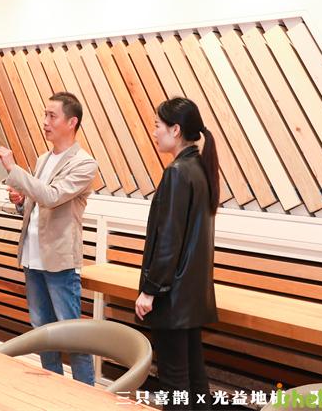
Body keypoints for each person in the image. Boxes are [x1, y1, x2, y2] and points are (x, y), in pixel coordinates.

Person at [0, 91, 98, 386]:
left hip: (59, 260)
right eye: (45, 115)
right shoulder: (43, 159)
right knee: (43, 333)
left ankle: (86, 397)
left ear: (72, 122)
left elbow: (51, 197)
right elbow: (36, 202)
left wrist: (13, 169)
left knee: (73, 337)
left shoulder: (85, 163)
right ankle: (52, 390)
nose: (45, 122)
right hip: (32, 257)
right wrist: (20, 201)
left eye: (52, 116)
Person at [134, 97, 219, 410]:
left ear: (176, 130)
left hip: (172, 296)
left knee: (174, 384)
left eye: (158, 125)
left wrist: (150, 290)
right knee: (194, 381)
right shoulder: (200, 168)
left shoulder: (178, 172)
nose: (154, 132)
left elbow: (168, 241)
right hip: (192, 295)